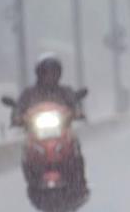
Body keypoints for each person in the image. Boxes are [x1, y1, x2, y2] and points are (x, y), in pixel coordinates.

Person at [13, 53, 87, 188]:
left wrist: (77, 112)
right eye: (46, 72)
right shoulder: (30, 93)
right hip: (36, 134)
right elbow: (20, 107)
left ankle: (80, 179)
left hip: (62, 132)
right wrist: (17, 117)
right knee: (26, 148)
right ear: (40, 74)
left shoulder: (65, 91)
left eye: (54, 72)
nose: (50, 76)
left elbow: (75, 103)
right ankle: (31, 177)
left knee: (75, 144)